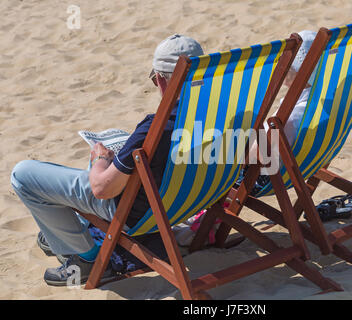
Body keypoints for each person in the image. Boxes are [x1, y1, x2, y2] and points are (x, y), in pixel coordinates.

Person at [10, 34, 204, 286]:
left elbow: (102, 189)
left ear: (161, 81)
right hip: (187, 200)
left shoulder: (157, 127)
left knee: (23, 175)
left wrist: (101, 159)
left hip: (141, 211)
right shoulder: (226, 116)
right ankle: (61, 233)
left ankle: (87, 260)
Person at [237, 30, 318, 195]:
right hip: (302, 167)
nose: (283, 66)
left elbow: (256, 155)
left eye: (289, 64)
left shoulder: (291, 117)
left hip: (258, 178)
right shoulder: (321, 102)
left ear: (301, 72)